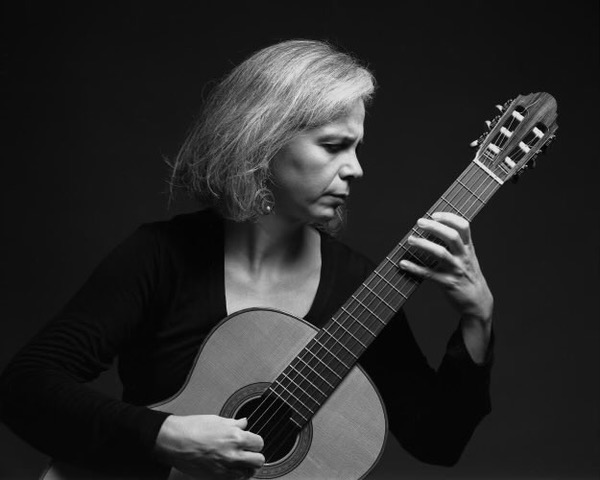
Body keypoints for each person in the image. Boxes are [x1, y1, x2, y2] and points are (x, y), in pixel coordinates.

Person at [0, 39, 494, 479]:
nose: (356, 169)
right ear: (261, 141)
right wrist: (163, 436)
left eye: (357, 147)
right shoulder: (162, 257)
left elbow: (437, 443)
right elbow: (25, 388)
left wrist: (478, 316)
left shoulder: (359, 287)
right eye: (333, 146)